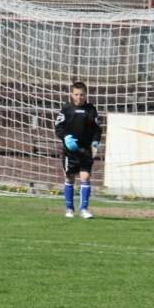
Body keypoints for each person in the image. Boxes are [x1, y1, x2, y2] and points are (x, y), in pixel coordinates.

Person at [54, 81, 103, 218]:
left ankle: (84, 209)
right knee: (69, 177)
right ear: (71, 94)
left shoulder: (91, 110)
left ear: (86, 95)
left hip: (85, 149)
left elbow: (97, 129)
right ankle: (69, 209)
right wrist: (66, 138)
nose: (79, 97)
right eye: (76, 94)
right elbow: (58, 127)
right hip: (70, 150)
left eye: (82, 95)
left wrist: (94, 142)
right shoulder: (67, 109)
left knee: (85, 177)